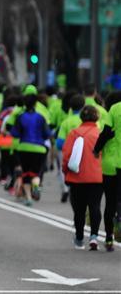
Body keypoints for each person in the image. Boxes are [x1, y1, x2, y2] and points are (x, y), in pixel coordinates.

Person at [62, 105, 104, 250]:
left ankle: (79, 238)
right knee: (95, 206)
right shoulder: (99, 134)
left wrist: (65, 171)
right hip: (97, 177)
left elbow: (67, 155)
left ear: (81, 117)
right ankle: (94, 237)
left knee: (79, 209)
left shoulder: (74, 133)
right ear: (97, 117)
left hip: (77, 177)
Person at [9, 93, 51, 207]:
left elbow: (14, 133)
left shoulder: (20, 117)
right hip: (39, 149)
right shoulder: (41, 117)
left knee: (26, 174)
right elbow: (47, 134)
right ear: (36, 104)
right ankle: (36, 186)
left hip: (24, 148)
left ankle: (28, 198)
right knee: (36, 173)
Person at [93, 91, 121, 251]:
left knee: (110, 202)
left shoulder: (115, 109)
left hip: (110, 164)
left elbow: (105, 133)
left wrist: (96, 150)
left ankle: (109, 238)